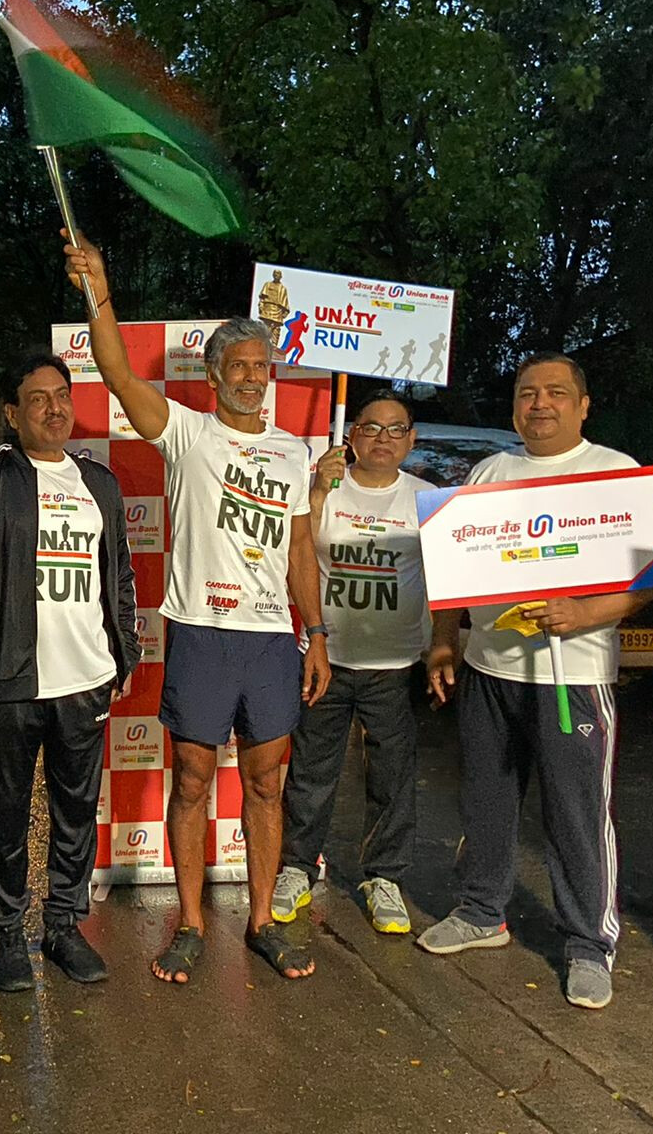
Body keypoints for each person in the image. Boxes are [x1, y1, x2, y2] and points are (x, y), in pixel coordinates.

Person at [62, 236, 328, 985]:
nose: (251, 376)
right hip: (203, 634)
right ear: (213, 375)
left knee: (268, 783)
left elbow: (299, 551)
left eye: (260, 365)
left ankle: (264, 922)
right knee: (190, 779)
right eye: (237, 365)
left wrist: (317, 633)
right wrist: (99, 285)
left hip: (271, 638)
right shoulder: (188, 432)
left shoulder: (292, 452)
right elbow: (117, 372)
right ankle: (189, 922)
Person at [418, 353, 653, 1012]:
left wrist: (584, 613)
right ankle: (481, 911)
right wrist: (445, 640)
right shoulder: (491, 472)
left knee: (576, 813)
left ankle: (589, 942)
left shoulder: (613, 470)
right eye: (527, 393)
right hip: (490, 668)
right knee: (486, 803)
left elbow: (647, 581)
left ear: (583, 406)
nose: (540, 404)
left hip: (571, 674)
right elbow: (454, 569)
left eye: (556, 392)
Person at [0, 351, 138, 992]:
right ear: (12, 415)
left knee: (75, 813)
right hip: (10, 678)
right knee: (7, 817)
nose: (54, 407)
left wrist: (123, 652)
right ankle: (9, 934)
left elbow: (118, 574)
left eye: (62, 395)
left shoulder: (99, 482)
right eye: (37, 398)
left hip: (86, 678)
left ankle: (64, 925)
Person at [273, 390, 435, 935]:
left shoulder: (427, 500)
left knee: (392, 777)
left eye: (396, 429)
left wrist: (443, 646)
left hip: (395, 664)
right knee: (311, 773)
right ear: (352, 436)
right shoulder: (326, 488)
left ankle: (384, 877)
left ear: (411, 439)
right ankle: (297, 868)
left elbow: (448, 580)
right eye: (371, 428)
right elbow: (295, 552)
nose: (383, 439)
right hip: (326, 659)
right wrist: (318, 489)